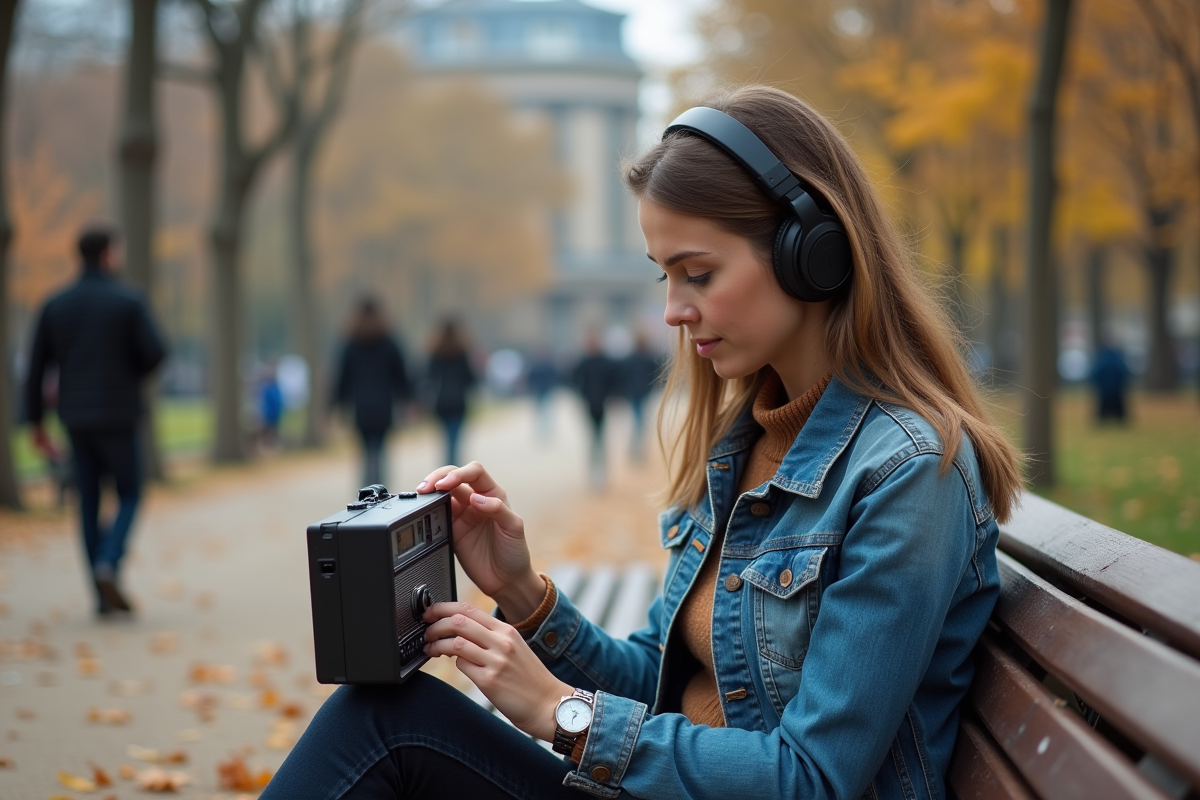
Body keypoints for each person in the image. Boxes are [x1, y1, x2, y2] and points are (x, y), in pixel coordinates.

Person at [263, 86, 1024, 800]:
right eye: (664, 276)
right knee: (381, 715)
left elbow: (813, 778)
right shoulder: (744, 444)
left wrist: (564, 713)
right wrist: (525, 596)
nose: (672, 311)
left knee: (383, 731)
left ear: (812, 252)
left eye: (697, 273)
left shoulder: (906, 472)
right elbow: (661, 675)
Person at [24, 227, 167, 617]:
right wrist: (131, 370)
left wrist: (35, 422)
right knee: (130, 493)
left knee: (86, 502)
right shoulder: (128, 300)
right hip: (120, 414)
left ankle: (100, 594)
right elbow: (156, 351)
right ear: (108, 254)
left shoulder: (56, 304)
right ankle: (110, 559)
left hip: (75, 418)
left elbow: (37, 366)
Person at [332, 297, 412, 487]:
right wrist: (407, 399)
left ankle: (365, 490)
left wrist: (338, 406)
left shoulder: (351, 344)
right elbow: (400, 375)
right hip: (383, 406)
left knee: (366, 451)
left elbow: (342, 378)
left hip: (360, 407)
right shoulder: (389, 342)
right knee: (380, 451)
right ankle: (380, 490)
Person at [424, 318, 476, 467]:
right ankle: (453, 468)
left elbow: (429, 376)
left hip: (441, 401)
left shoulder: (436, 352)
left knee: (445, 436)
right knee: (455, 437)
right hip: (458, 401)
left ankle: (447, 467)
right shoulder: (461, 352)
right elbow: (470, 379)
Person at [571, 331, 619, 489]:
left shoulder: (606, 361)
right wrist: (580, 395)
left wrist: (612, 396)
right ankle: (593, 472)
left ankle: (601, 472)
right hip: (589, 403)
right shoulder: (584, 361)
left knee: (601, 438)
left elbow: (614, 380)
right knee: (593, 439)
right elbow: (573, 378)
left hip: (602, 404)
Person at [619, 332, 662, 462]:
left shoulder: (631, 358)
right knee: (639, 420)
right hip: (643, 392)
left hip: (634, 392)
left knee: (637, 419)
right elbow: (656, 375)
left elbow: (624, 376)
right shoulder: (648, 358)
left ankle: (635, 449)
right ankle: (637, 449)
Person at [1091, 342, 1131, 423]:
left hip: (1104, 391)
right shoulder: (1118, 360)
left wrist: (1099, 385)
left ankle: (1102, 421)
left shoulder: (1101, 360)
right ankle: (1120, 421)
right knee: (1118, 407)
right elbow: (1124, 373)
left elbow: (1096, 374)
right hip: (1117, 390)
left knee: (1103, 407)